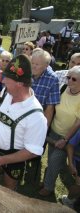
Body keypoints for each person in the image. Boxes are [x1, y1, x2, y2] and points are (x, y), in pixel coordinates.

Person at [0, 54, 47, 190]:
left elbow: (33, 151)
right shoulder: (6, 92)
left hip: (14, 157)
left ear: (20, 84)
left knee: (8, 192)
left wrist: (1, 160)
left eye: (6, 79)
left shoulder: (36, 116)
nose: (3, 82)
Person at [39, 65, 80, 197]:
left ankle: (48, 187)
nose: (69, 81)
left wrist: (65, 139)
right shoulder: (63, 88)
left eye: (74, 79)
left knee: (55, 160)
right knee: (51, 159)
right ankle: (47, 181)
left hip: (68, 138)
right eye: (68, 77)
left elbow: (77, 123)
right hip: (54, 131)